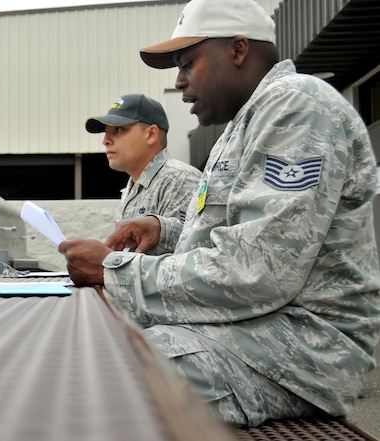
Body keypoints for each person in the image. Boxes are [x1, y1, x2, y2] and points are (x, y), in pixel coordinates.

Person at [59, 0, 380, 428]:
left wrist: (113, 271)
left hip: (302, 348)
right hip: (253, 329)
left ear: (239, 50)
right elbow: (236, 236)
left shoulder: (298, 107)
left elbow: (258, 272)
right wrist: (165, 231)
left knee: (102, 371)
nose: (179, 81)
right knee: (89, 346)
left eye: (188, 63)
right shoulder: (243, 124)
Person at [86, 93, 200, 254]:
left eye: (118, 129)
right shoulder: (132, 188)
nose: (105, 140)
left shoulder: (180, 180)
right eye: (106, 131)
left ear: (151, 134)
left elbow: (185, 262)